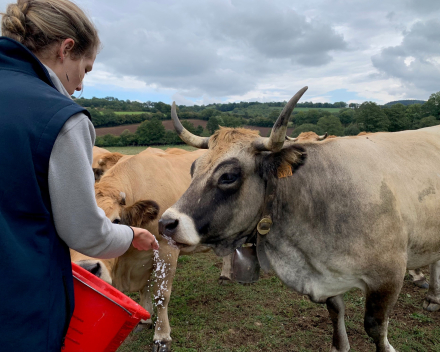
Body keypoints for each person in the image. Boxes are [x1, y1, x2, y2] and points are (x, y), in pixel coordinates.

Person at [0, 0, 159, 350]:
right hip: (19, 307)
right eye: (85, 69)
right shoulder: (61, 118)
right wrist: (130, 233)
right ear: (66, 48)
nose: (81, 86)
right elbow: (85, 233)